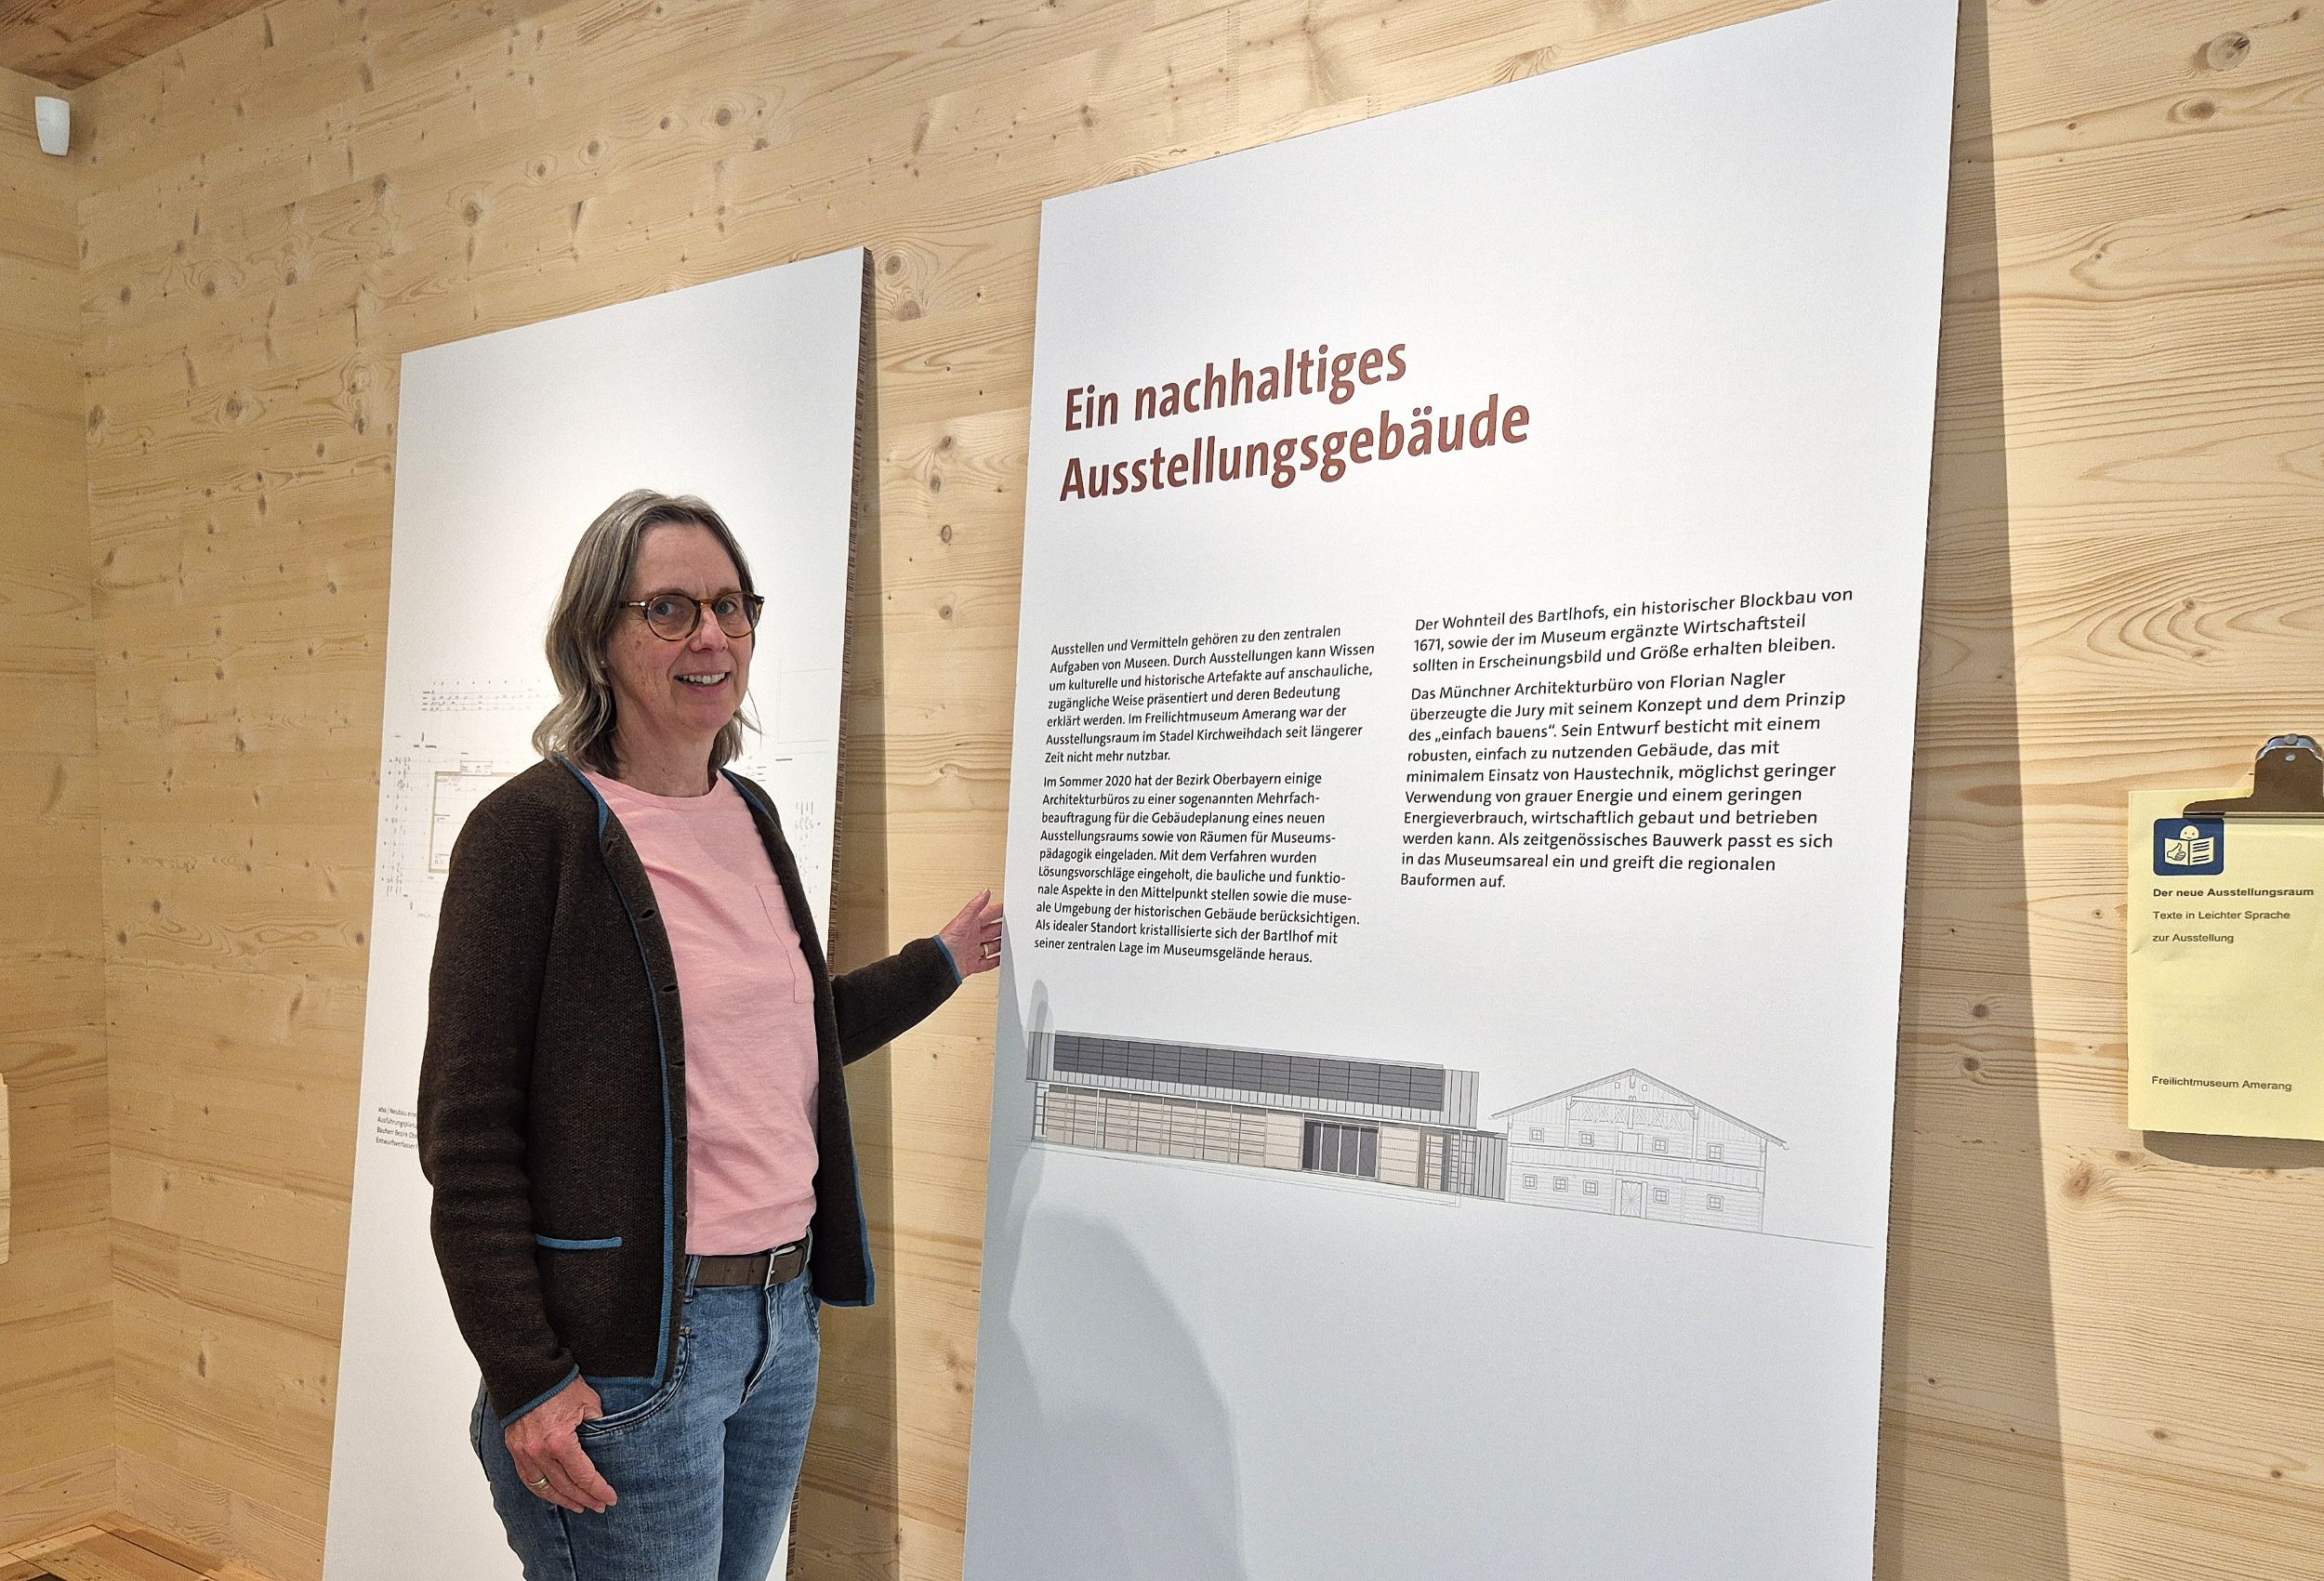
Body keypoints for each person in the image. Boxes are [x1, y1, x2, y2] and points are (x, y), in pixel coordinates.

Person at [417, 489, 1001, 1581]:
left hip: (779, 1327)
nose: (712, 637)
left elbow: (787, 1036)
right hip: (631, 1350)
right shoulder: (530, 833)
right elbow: (468, 1136)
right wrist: (526, 1374)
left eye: (732, 606)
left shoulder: (750, 814)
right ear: (597, 636)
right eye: (670, 609)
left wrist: (941, 963)